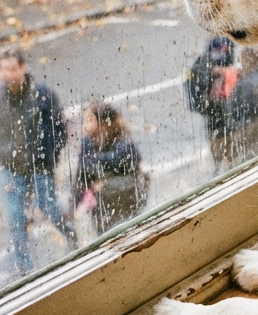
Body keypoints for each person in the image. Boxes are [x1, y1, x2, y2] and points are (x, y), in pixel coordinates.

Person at [0, 48, 76, 276]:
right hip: (11, 168)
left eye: (13, 69)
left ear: (23, 68)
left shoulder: (43, 95)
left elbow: (59, 130)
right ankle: (25, 270)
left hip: (40, 166)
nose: (9, 75)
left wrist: (47, 159)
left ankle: (71, 236)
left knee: (50, 210)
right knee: (15, 218)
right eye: (4, 70)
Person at [73, 103, 147, 235]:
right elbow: (82, 172)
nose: (85, 125)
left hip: (125, 195)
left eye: (90, 120)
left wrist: (100, 177)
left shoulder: (122, 139)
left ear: (103, 123)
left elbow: (124, 161)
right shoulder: (87, 143)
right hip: (102, 205)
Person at [184, 36, 238, 169]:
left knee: (224, 131)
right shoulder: (210, 56)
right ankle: (221, 163)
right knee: (218, 130)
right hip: (214, 103)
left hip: (218, 102)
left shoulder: (222, 44)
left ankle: (225, 163)